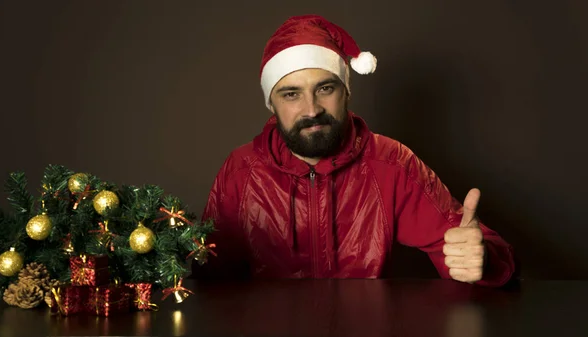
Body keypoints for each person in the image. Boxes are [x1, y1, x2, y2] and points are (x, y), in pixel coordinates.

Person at [196, 14, 516, 287]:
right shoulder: (241, 172)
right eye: (291, 94)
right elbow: (208, 281)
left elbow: (474, 248)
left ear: (346, 91)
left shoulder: (392, 163)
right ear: (272, 104)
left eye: (325, 88)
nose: (311, 109)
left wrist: (483, 259)